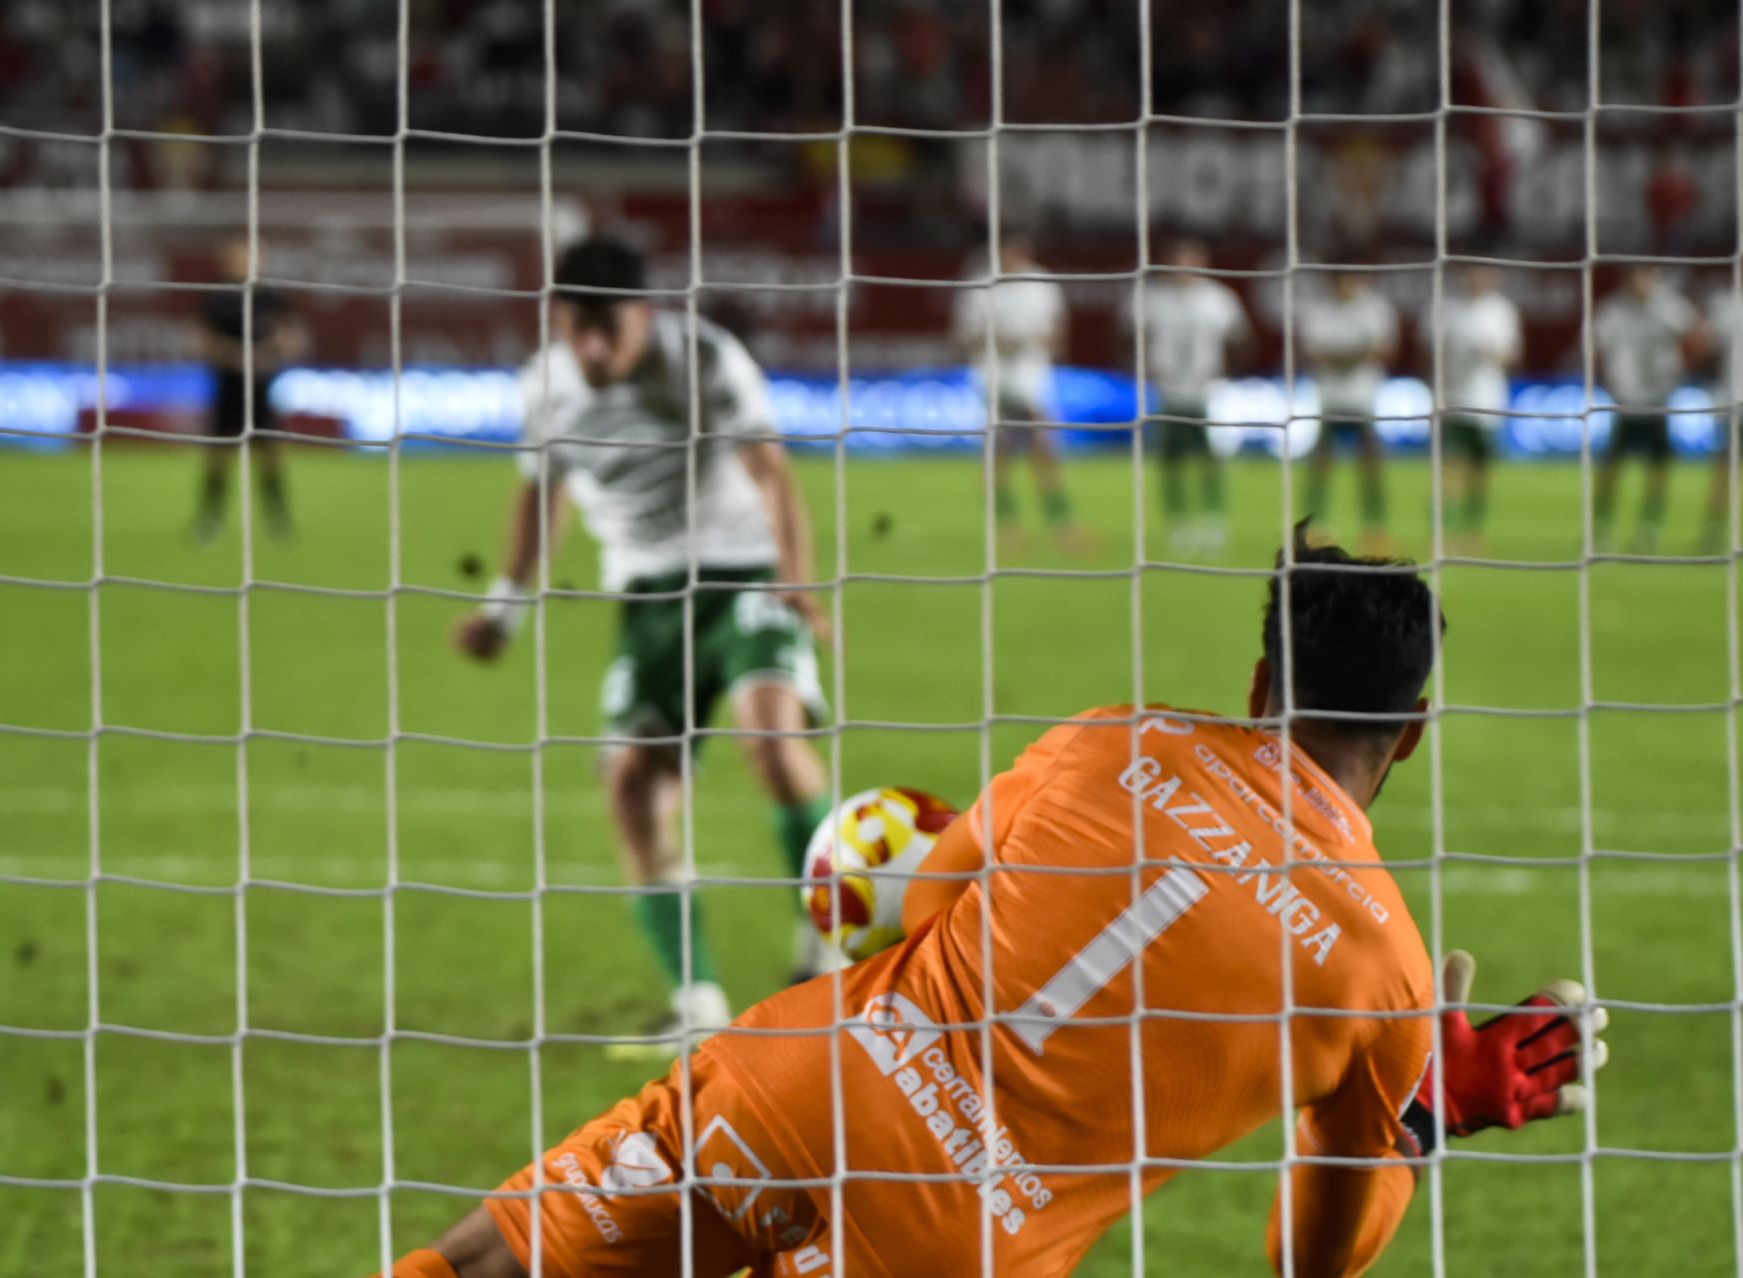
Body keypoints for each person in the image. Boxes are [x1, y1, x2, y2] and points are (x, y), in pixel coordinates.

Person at [386, 522, 1609, 1278]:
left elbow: (922, 905)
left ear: (1257, 681)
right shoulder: (1382, 966)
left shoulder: (1107, 740)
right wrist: (1418, 1115)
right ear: (1411, 735)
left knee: (482, 1266)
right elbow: (1307, 1259)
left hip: (798, 1083)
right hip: (956, 1238)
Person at [454, 236, 834, 1044]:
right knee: (630, 782)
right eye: (576, 328)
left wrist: (797, 579)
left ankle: (828, 942)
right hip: (646, 592)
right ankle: (697, 1006)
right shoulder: (545, 388)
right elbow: (540, 494)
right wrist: (504, 609)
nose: (592, 348)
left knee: (769, 732)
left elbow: (772, 471)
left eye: (609, 329)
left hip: (742, 572)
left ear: (643, 315)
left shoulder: (702, 357)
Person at [952, 228, 1087, 553]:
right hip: (993, 379)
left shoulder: (1041, 284)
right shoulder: (980, 287)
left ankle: (1060, 526)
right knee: (1002, 456)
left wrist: (1033, 341)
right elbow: (964, 338)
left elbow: (1059, 333)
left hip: (1033, 379)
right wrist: (997, 342)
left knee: (1043, 451)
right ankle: (1010, 526)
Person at [193, 235, 305, 541]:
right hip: (227, 387)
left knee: (270, 456)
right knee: (217, 458)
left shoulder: (270, 296)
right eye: (239, 254)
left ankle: (278, 521)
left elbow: (293, 338)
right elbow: (202, 340)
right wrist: (235, 357)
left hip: (261, 388)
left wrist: (268, 353)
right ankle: (208, 520)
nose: (246, 260)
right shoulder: (215, 297)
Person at [1143, 237, 1249, 556]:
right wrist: (1144, 369)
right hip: (1168, 392)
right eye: (1178, 262)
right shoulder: (1152, 299)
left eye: (1190, 261)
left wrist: (1227, 374)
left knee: (1209, 458)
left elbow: (1241, 339)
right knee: (1171, 461)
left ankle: (1213, 522)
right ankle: (1178, 523)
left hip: (1208, 393)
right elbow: (1128, 336)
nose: (1183, 269)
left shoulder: (1218, 299)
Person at [1592, 264, 1704, 554]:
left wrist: (1681, 370)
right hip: (1626, 399)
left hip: (1658, 398)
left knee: (1658, 467)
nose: (1641, 282)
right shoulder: (1613, 310)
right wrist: (1608, 380)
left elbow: (1697, 337)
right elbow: (1596, 347)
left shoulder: (1670, 307)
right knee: (1611, 467)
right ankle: (1602, 526)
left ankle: (1648, 526)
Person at [1302, 270, 1400, 555]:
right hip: (1329, 399)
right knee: (1320, 466)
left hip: (1363, 398)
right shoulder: (1319, 310)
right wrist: (1355, 354)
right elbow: (1315, 352)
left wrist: (1341, 356)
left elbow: (1384, 350)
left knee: (1370, 467)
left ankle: (1375, 530)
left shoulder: (1375, 309)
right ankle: (1315, 528)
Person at [1435, 263, 1523, 552]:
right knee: (1450, 465)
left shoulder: (1501, 311)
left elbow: (1513, 356)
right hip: (1453, 399)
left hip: (1486, 401)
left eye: (1482, 273)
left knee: (1479, 470)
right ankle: (1444, 529)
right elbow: (1430, 351)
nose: (1476, 278)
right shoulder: (1447, 308)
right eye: (1471, 272)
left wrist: (1490, 352)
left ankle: (1472, 529)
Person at [1702, 283, 1741, 553]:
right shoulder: (1726, 306)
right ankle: (1714, 529)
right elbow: (1709, 351)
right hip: (1733, 400)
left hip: (1731, 397)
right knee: (1724, 466)